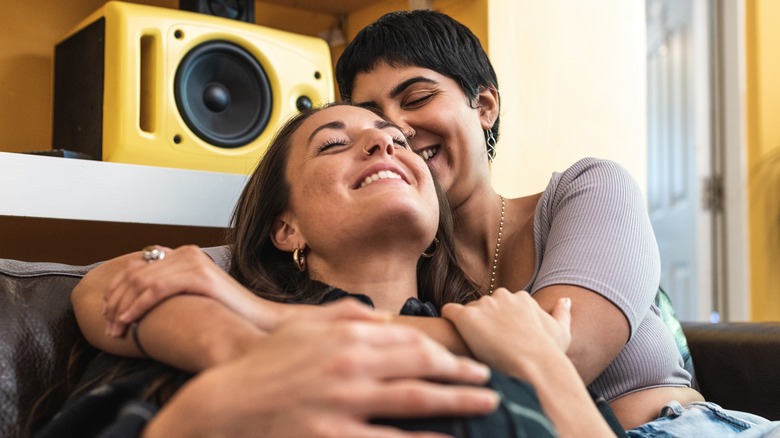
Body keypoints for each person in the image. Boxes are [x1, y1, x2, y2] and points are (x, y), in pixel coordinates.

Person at [74, 9, 780, 437]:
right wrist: (231, 325)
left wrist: (259, 319)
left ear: (484, 107)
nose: (394, 133)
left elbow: (553, 357)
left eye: (415, 99)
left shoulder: (585, 190)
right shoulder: (376, 243)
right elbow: (133, 283)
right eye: (365, 121)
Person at [49, 103, 617, 437]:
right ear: (285, 228)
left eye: (400, 141)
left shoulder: (510, 332)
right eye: (334, 144)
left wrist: (544, 364)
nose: (384, 141)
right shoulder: (196, 313)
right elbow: (112, 285)